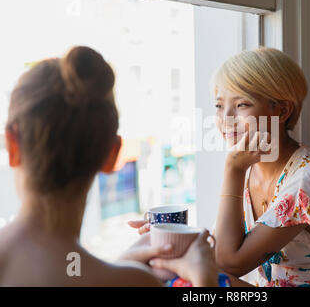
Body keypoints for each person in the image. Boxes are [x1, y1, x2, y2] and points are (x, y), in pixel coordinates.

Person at [0, 46, 218, 287]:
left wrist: (120, 264)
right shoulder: (134, 282)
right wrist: (204, 280)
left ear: (12, 145)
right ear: (113, 155)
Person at [212, 47, 310, 287]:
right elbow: (221, 248)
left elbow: (229, 263)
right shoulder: (250, 167)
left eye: (241, 104)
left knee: (204, 280)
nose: (226, 118)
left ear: (282, 110)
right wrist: (170, 237)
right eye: (219, 106)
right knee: (180, 274)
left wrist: (233, 169)